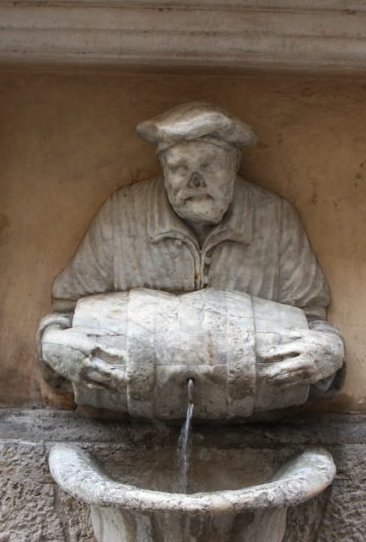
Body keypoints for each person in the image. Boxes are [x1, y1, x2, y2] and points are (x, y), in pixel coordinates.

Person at [38, 101, 343, 398]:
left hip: (255, 422)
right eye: (180, 168)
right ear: (163, 169)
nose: (195, 181)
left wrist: (327, 353)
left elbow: (312, 326)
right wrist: (54, 342)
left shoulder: (275, 220)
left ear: (234, 166)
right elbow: (65, 317)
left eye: (209, 166)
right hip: (130, 420)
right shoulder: (122, 216)